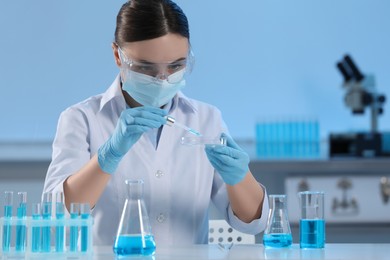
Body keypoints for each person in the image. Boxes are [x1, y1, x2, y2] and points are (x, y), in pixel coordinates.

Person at [43, 0, 269, 246]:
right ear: (118, 55)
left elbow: (252, 222)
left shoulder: (206, 119)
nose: (163, 79)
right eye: (145, 68)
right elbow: (57, 219)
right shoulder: (82, 119)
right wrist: (108, 157)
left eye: (176, 66)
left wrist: (240, 177)